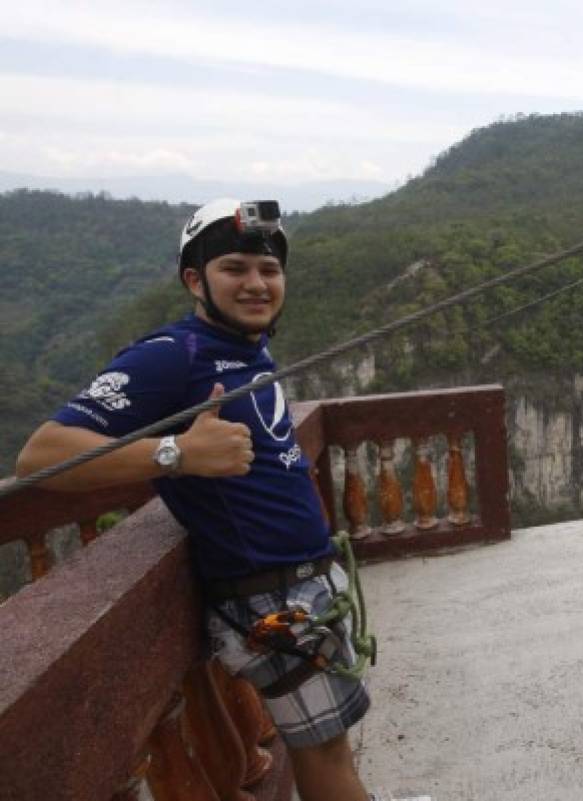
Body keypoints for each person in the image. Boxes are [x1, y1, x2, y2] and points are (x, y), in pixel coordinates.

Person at [16, 198, 373, 801]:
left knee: (329, 743)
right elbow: (42, 455)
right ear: (194, 279)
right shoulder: (172, 353)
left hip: (301, 585)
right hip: (272, 596)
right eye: (235, 268)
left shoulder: (246, 350)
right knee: (326, 753)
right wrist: (176, 453)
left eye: (269, 270)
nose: (257, 284)